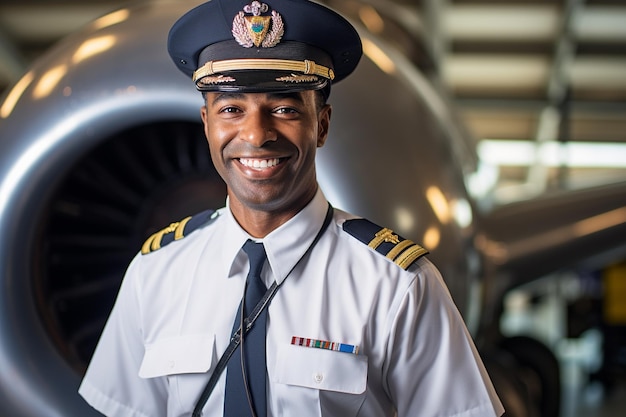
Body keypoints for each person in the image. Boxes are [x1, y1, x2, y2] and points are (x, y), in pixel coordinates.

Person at [79, 1, 505, 416]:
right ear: (206, 124)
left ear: (321, 124)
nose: (257, 135)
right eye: (231, 109)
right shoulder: (155, 273)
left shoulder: (396, 285)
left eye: (284, 109)